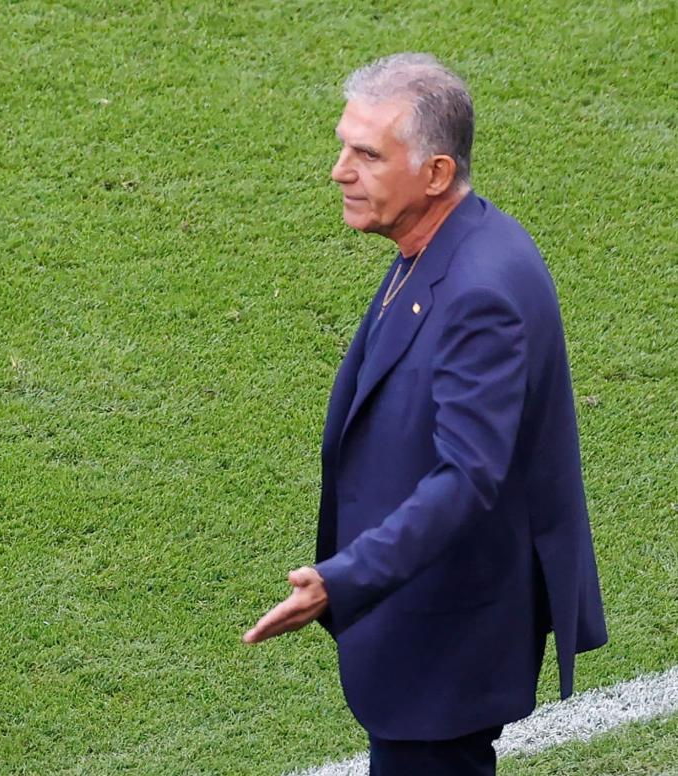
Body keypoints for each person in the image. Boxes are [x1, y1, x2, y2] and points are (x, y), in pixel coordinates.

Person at [241, 53, 607, 775]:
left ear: (436, 173)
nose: (340, 170)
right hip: (424, 626)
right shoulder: (439, 244)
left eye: (368, 154)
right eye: (344, 146)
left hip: (446, 643)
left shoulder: (481, 289)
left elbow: (468, 479)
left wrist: (341, 579)